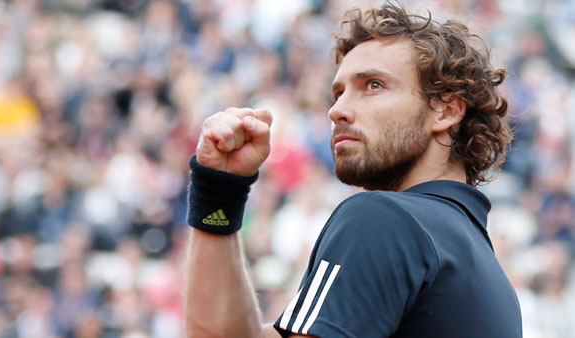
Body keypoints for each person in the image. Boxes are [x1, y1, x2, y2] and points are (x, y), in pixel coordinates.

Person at [184, 2, 521, 338]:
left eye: (373, 85)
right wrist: (219, 190)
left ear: (446, 111)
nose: (337, 110)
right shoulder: (485, 270)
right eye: (338, 93)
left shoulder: (384, 219)